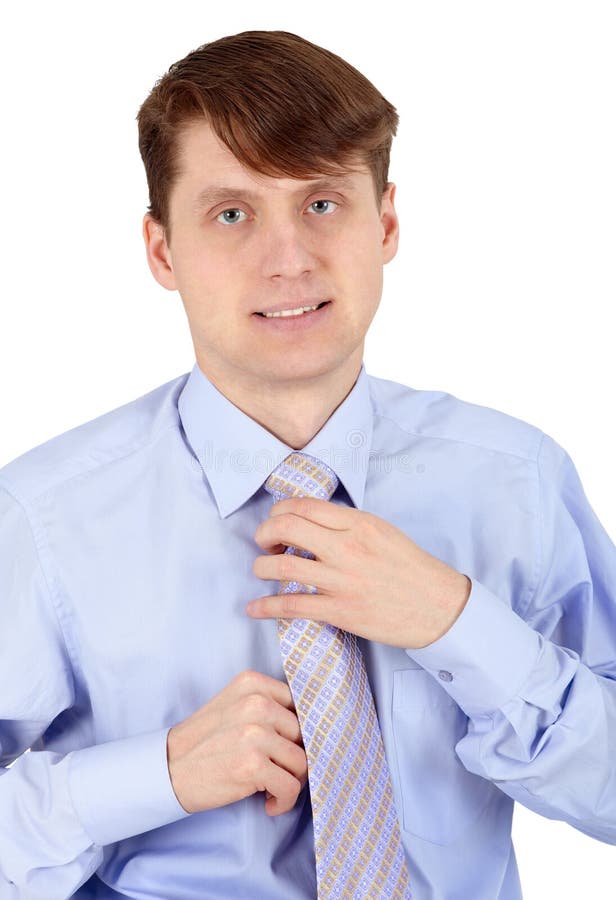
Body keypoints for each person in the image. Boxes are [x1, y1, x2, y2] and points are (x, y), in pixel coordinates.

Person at [0, 27, 614, 900]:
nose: (288, 259)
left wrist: (458, 623)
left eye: (322, 203)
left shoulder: (516, 480)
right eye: (232, 213)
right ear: (162, 250)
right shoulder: (43, 519)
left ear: (386, 222)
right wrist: (158, 774)